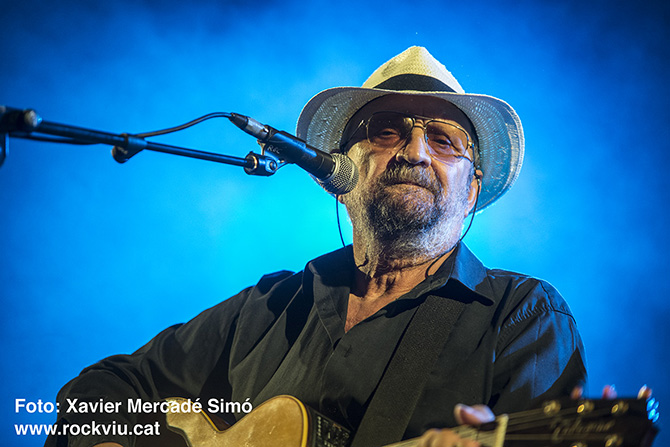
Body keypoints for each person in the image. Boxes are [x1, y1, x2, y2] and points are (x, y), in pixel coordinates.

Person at [46, 47, 587, 447]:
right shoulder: (270, 306)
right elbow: (98, 391)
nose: (416, 151)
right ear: (338, 174)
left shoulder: (522, 316)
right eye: (387, 130)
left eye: (444, 139)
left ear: (471, 191)